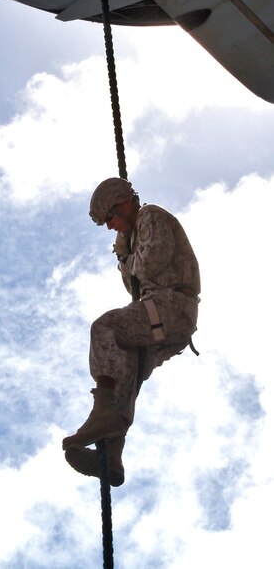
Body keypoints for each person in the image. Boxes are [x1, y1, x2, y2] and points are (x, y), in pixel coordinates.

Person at [62, 178, 200, 486]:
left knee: (106, 327)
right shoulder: (134, 235)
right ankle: (111, 454)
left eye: (110, 218)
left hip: (171, 306)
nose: (111, 227)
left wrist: (126, 258)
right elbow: (134, 288)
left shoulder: (151, 216)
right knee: (125, 366)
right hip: (164, 313)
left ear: (122, 203)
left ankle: (104, 411)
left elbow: (151, 264)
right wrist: (125, 257)